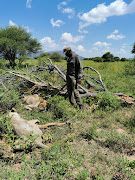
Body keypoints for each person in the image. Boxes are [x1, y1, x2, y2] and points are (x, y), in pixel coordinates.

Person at [63, 46, 83, 111]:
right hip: (68, 77)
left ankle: (80, 107)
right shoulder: (68, 58)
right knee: (69, 92)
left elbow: (80, 68)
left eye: (66, 53)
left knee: (75, 91)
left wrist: (79, 77)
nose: (65, 54)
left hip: (74, 77)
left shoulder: (76, 57)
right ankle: (73, 105)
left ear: (69, 51)